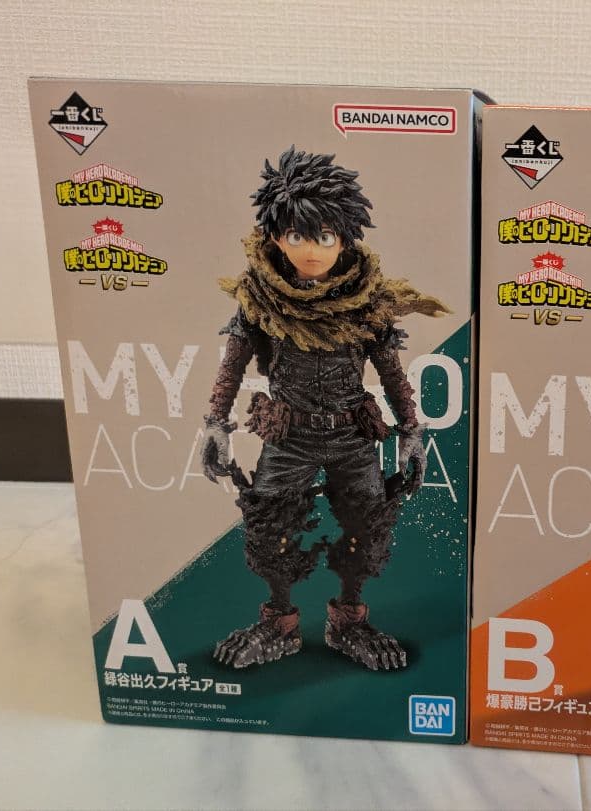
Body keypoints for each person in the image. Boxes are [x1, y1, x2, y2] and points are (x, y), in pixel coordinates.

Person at [201, 146, 447, 671]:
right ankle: (279, 623)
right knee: (268, 524)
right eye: (297, 236)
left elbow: (391, 371)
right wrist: (215, 426)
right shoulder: (259, 299)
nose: (311, 250)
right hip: (288, 434)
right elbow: (232, 364)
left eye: (325, 236)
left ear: (346, 239)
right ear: (275, 238)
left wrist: (411, 431)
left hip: (352, 435)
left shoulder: (368, 302)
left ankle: (349, 621)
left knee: (368, 523)